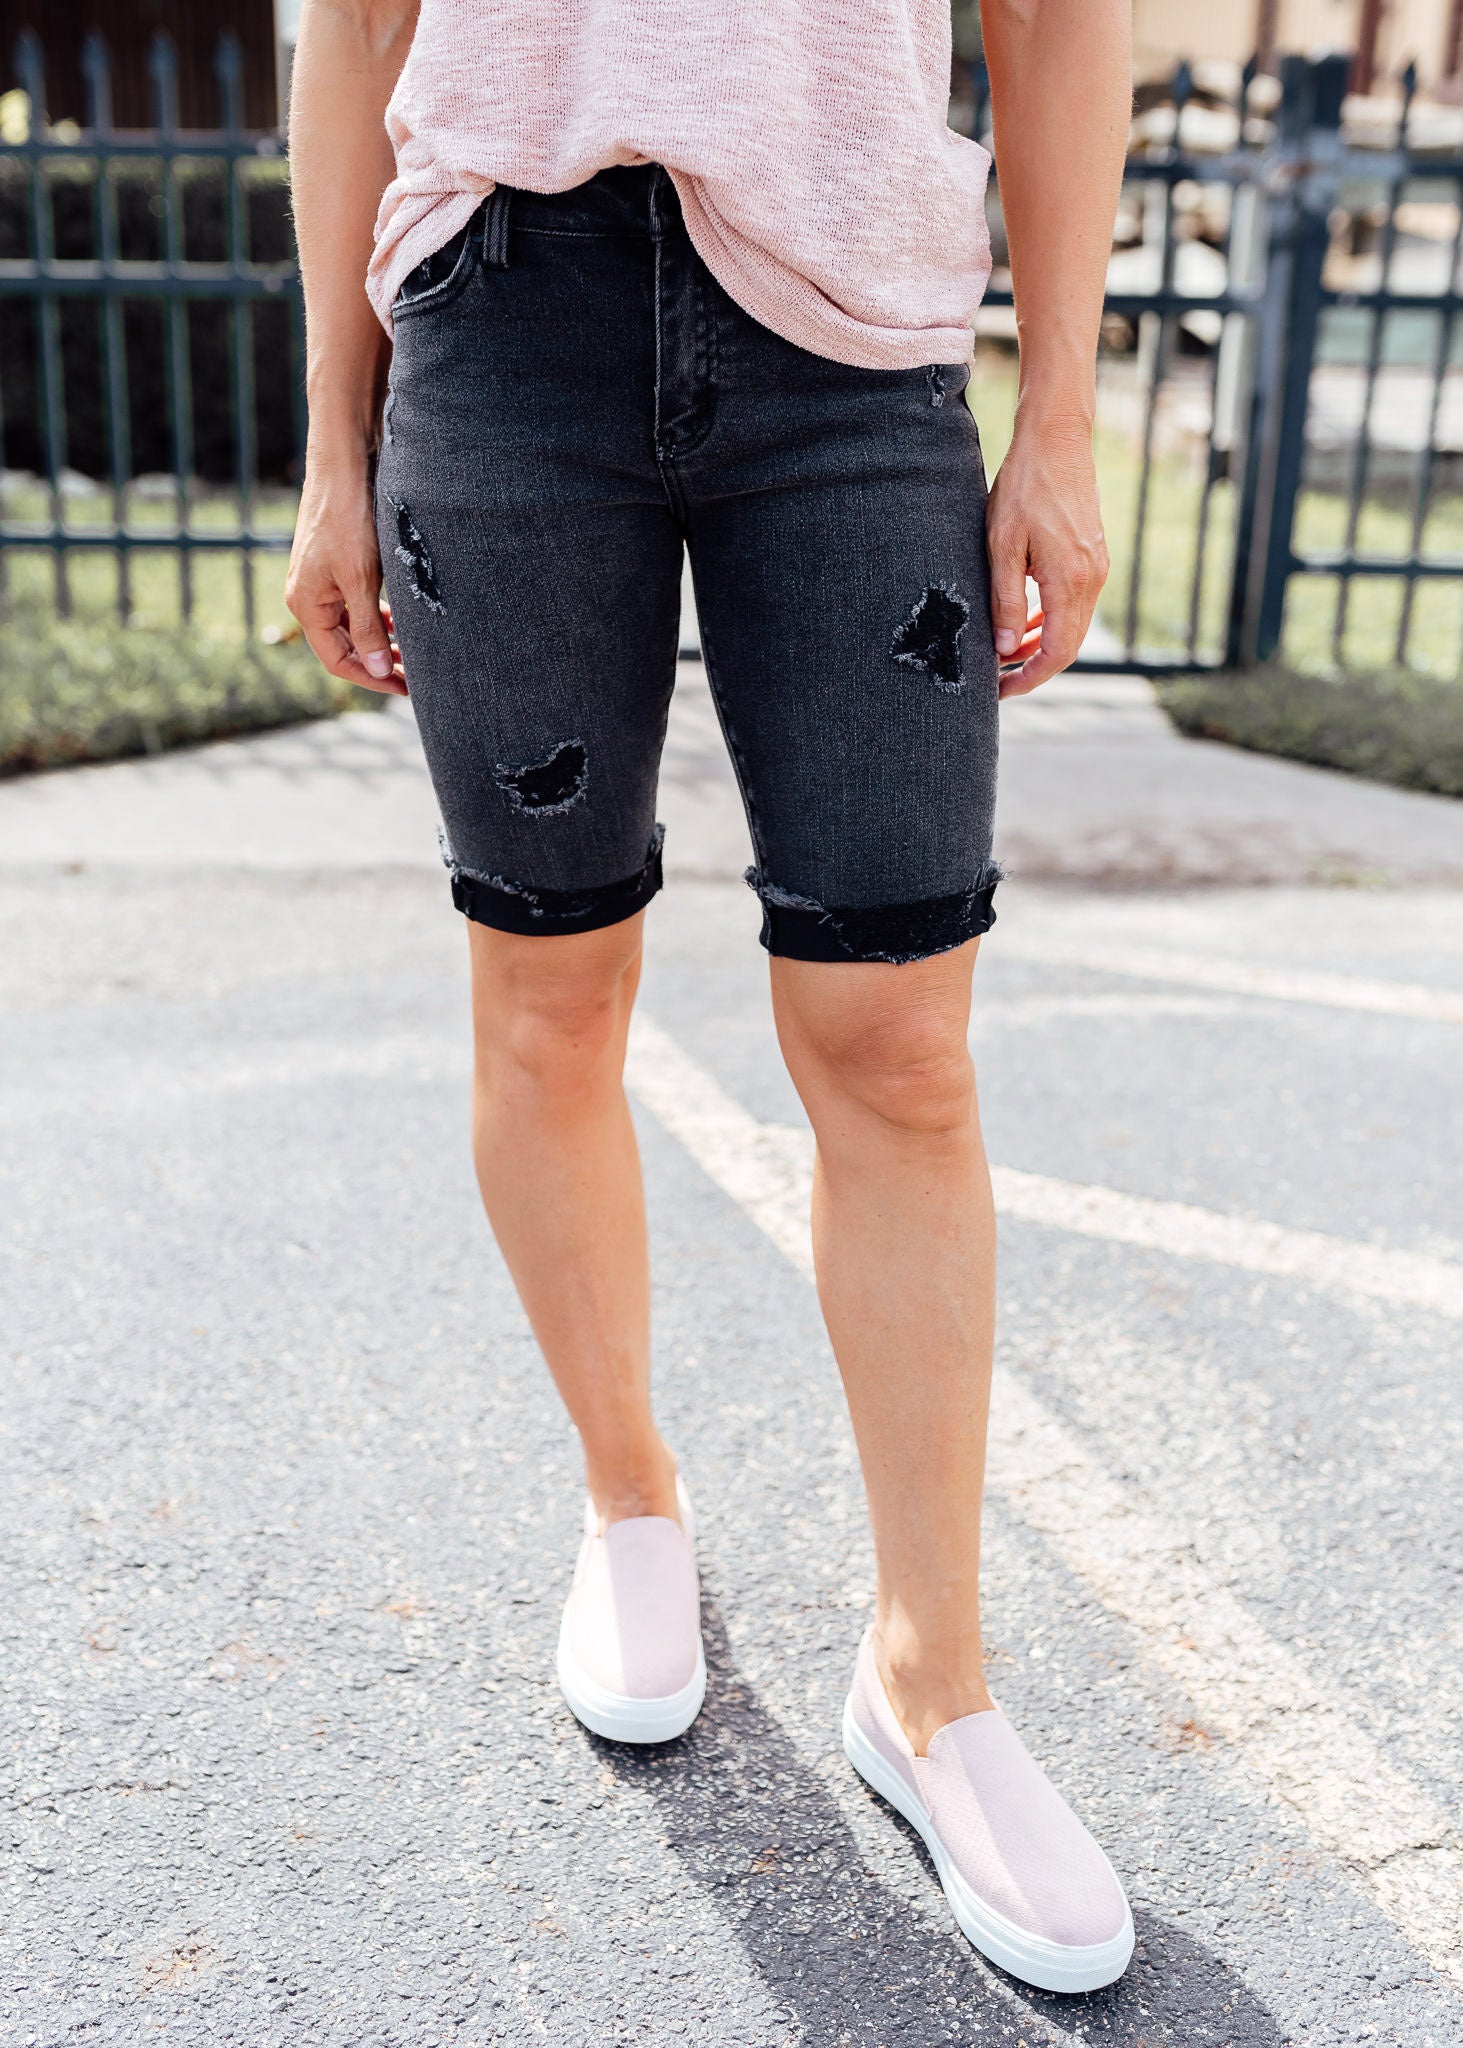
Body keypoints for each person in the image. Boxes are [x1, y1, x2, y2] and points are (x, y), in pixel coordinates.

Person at [286, 0, 1132, 1996]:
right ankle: (630, 1502)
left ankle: (930, 1677)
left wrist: (1064, 415)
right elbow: (355, 23)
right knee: (547, 1002)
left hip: (855, 338)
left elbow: (1055, 14)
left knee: (901, 1047)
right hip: (500, 317)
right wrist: (330, 439)